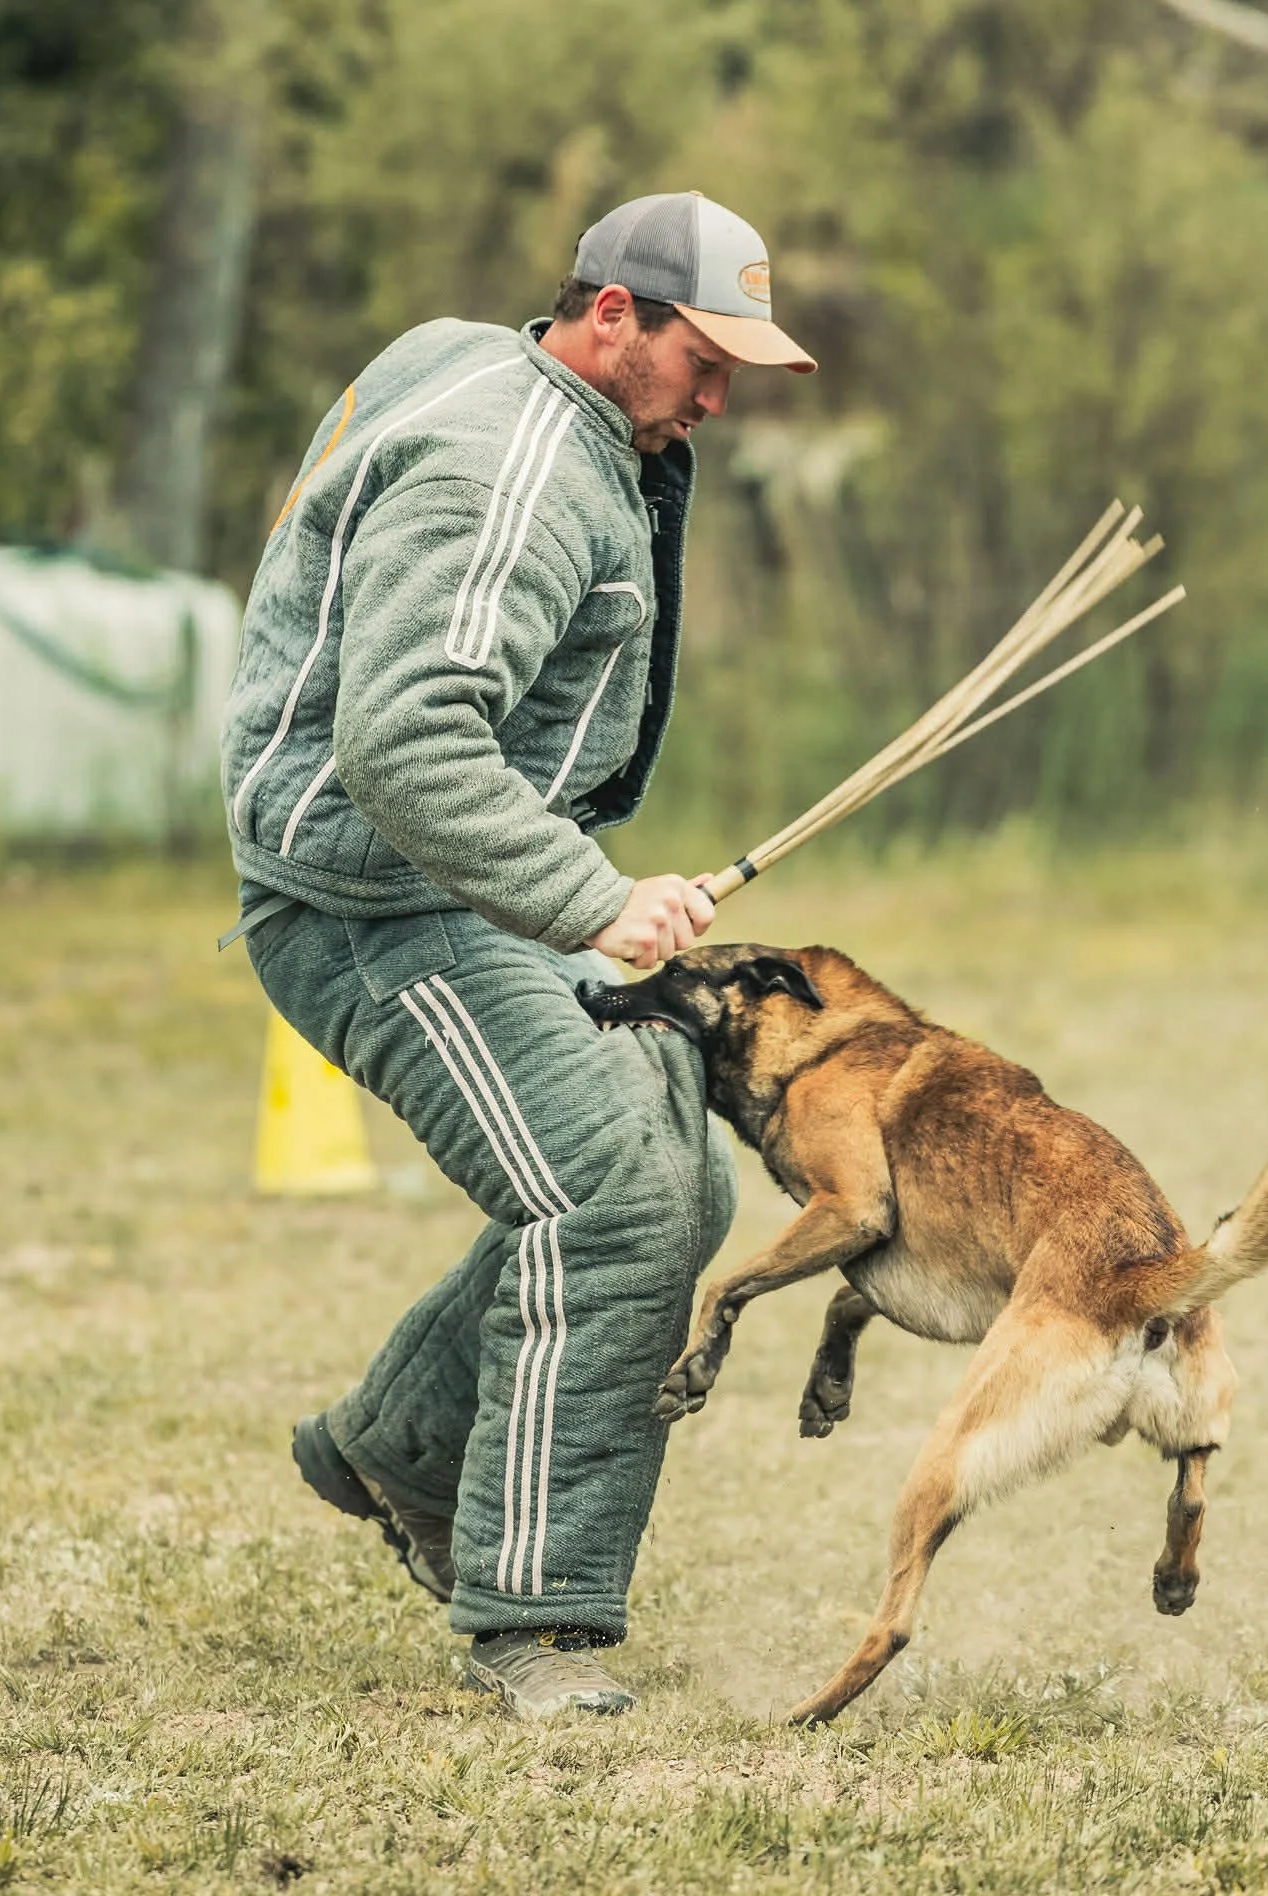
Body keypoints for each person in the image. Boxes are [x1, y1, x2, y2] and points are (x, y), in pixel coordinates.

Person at [218, 192, 816, 1719]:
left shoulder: (476, 363)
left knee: (680, 1174)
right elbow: (406, 738)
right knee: (614, 1195)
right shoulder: (517, 468)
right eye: (702, 357)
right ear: (611, 316)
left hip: (451, 880)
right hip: (370, 903)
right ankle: (533, 1622)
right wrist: (588, 897)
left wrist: (557, 881)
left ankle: (399, 1449)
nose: (718, 397)